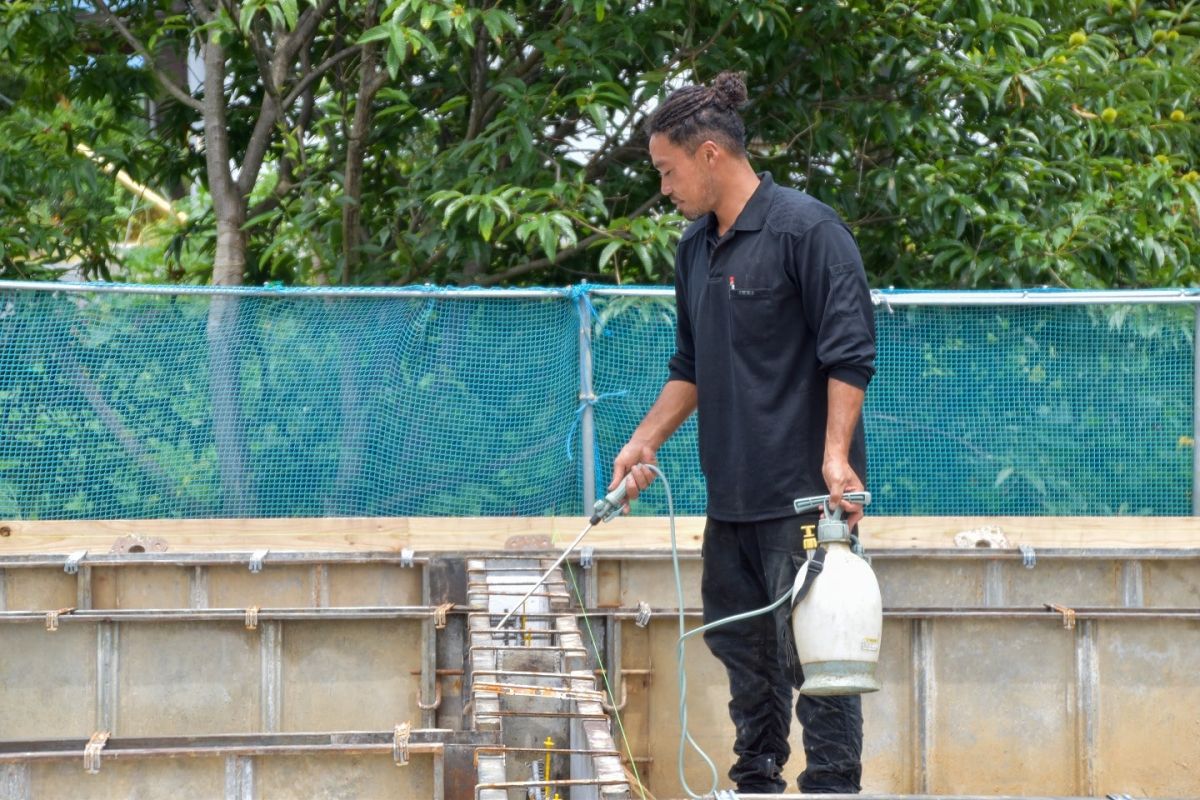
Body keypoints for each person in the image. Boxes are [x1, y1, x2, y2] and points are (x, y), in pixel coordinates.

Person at [608, 71, 876, 794]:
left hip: (805, 504)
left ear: (709, 156)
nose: (665, 188)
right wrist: (646, 438)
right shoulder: (696, 250)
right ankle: (753, 782)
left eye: (668, 171)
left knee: (821, 656)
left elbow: (848, 349)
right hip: (730, 500)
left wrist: (834, 458)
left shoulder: (807, 231)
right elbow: (690, 364)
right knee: (743, 654)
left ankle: (832, 786)